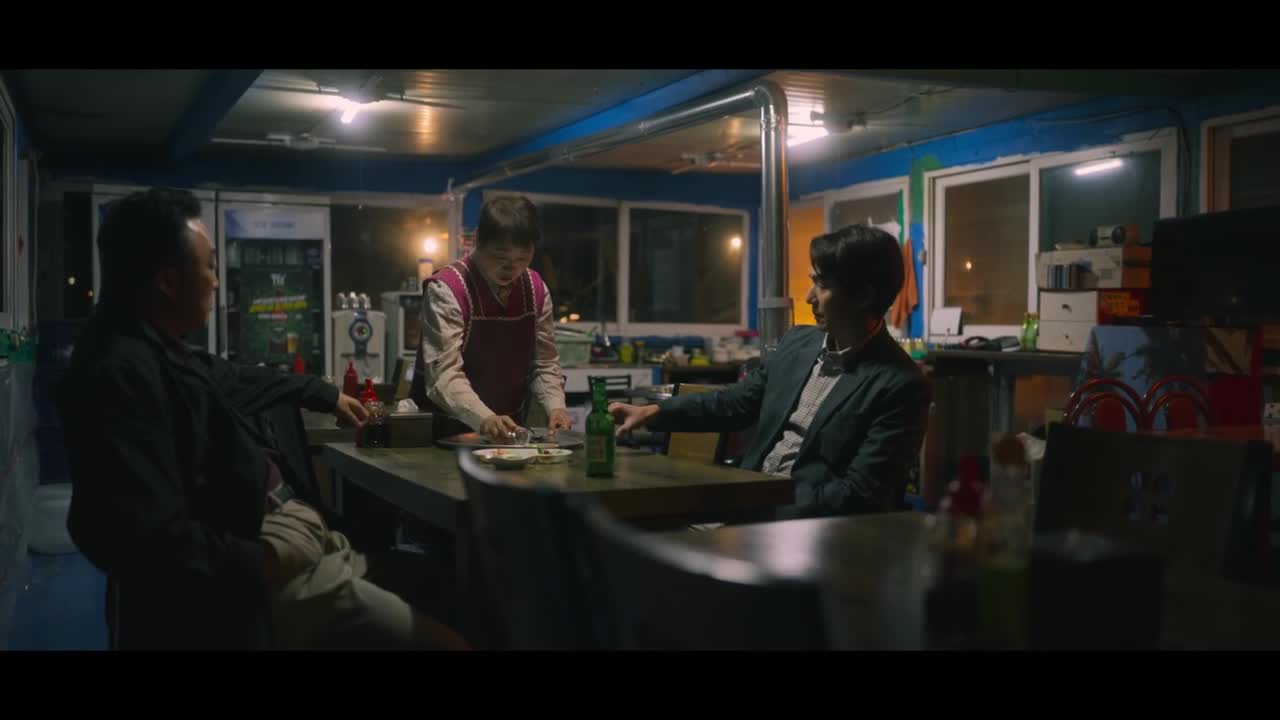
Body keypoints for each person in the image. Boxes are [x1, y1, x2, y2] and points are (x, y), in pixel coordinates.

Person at [58, 188, 468, 650]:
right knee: (447, 642)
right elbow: (148, 543)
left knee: (443, 586)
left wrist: (326, 395)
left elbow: (239, 378)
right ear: (169, 282)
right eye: (210, 266)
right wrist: (267, 558)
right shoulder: (118, 374)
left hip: (295, 537)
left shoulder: (162, 350)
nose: (217, 281)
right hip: (266, 576)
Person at [610, 224, 930, 518]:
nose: (809, 297)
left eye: (822, 285)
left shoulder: (900, 384)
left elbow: (859, 495)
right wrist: (654, 412)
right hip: (747, 507)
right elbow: (736, 402)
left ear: (863, 296)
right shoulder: (798, 343)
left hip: (804, 529)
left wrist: (759, 504)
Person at [409, 195, 572, 442]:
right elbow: (443, 375)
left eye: (522, 259)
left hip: (509, 434)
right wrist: (485, 418)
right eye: (501, 258)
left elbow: (544, 363)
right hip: (442, 433)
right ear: (477, 241)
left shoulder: (536, 290)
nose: (513, 269)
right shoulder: (448, 290)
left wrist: (556, 407)